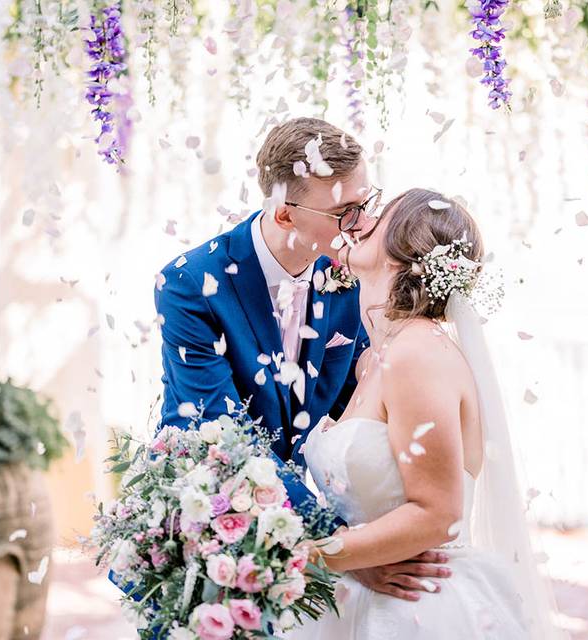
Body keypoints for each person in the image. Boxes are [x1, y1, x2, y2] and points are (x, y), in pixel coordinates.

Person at [142, 118, 451, 603]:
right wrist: (342, 549)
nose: (365, 224)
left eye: (367, 203)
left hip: (300, 534)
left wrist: (393, 527)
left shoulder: (353, 275)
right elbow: (229, 440)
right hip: (208, 531)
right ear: (286, 215)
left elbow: (368, 410)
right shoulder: (188, 286)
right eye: (346, 211)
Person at [288, 188, 566, 639]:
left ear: (402, 251)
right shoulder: (375, 359)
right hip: (360, 595)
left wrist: (311, 555)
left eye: (377, 219)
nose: (359, 222)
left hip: (416, 610)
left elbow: (437, 513)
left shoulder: (418, 353)